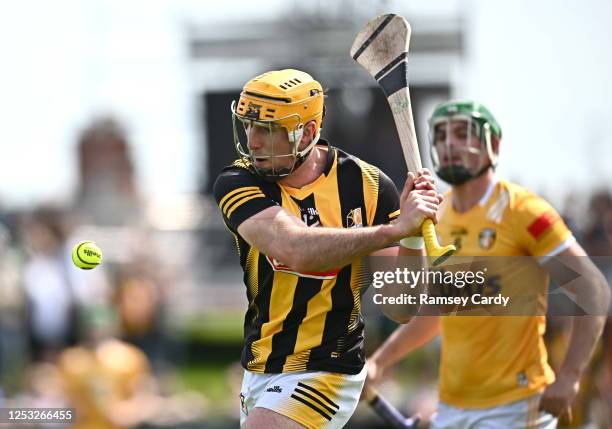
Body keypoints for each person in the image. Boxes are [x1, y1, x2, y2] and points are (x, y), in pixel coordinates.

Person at [212, 69, 443, 429]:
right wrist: (394, 229)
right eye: (248, 126)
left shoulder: (368, 186)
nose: (253, 141)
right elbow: (296, 248)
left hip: (329, 367)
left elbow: (401, 307)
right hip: (260, 368)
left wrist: (412, 237)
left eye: (268, 130)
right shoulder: (238, 181)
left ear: (306, 132)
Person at [365, 100, 610, 428]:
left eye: (462, 133)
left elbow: (591, 289)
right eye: (440, 135)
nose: (449, 144)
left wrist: (570, 377)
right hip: (452, 407)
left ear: (493, 145)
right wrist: (380, 363)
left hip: (517, 407)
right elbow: (438, 312)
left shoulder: (523, 212)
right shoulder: (438, 215)